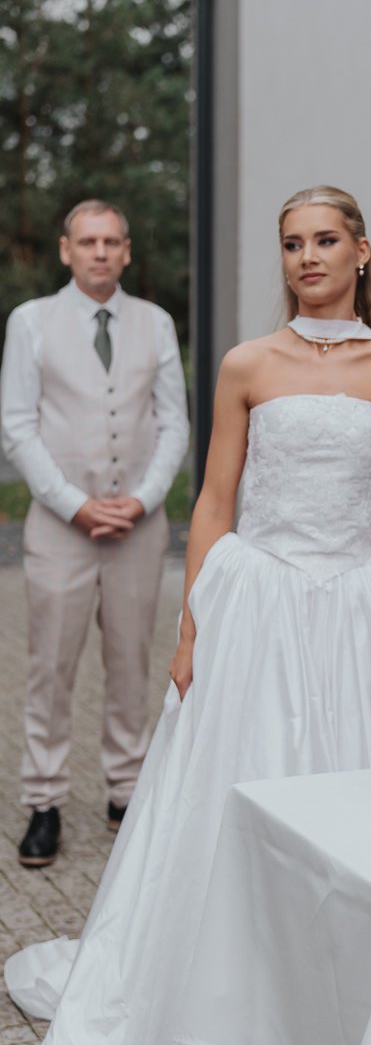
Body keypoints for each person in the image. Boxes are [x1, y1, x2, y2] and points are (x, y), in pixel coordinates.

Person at [4, 185, 371, 1045]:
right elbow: (213, 501)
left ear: (361, 250)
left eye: (324, 240)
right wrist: (193, 624)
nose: (307, 257)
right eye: (291, 243)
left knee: (354, 820)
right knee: (227, 810)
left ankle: (344, 1039)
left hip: (355, 622)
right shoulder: (248, 364)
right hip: (257, 613)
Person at [0, 200, 189, 866]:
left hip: (139, 528)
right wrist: (74, 504)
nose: (100, 252)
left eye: (111, 241)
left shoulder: (155, 323)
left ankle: (125, 791)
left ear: (127, 251)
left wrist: (143, 498)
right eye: (88, 242)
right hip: (60, 527)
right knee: (50, 667)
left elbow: (174, 423)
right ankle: (44, 800)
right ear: (66, 250)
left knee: (131, 662)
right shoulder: (31, 322)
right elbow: (17, 425)